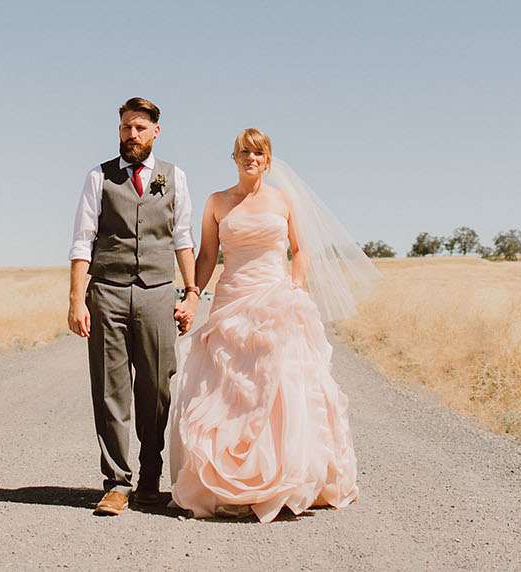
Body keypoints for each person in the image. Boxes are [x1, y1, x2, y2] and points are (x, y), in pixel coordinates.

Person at [168, 128, 379, 521]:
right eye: (244, 152)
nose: (251, 158)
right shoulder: (216, 202)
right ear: (233, 157)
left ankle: (288, 476)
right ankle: (228, 480)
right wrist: (193, 294)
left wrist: (294, 287)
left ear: (267, 159)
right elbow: (209, 256)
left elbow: (299, 250)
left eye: (259, 153)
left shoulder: (283, 201)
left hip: (276, 298)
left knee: (280, 386)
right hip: (233, 299)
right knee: (230, 388)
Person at [67, 98, 199, 515]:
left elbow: (183, 238)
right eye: (126, 127)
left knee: (157, 388)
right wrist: (76, 299)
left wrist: (192, 292)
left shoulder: (174, 177)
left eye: (139, 128)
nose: (131, 135)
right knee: (110, 389)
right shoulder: (98, 176)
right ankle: (116, 483)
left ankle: (149, 479)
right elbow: (82, 238)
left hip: (159, 292)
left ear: (155, 132)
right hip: (106, 291)